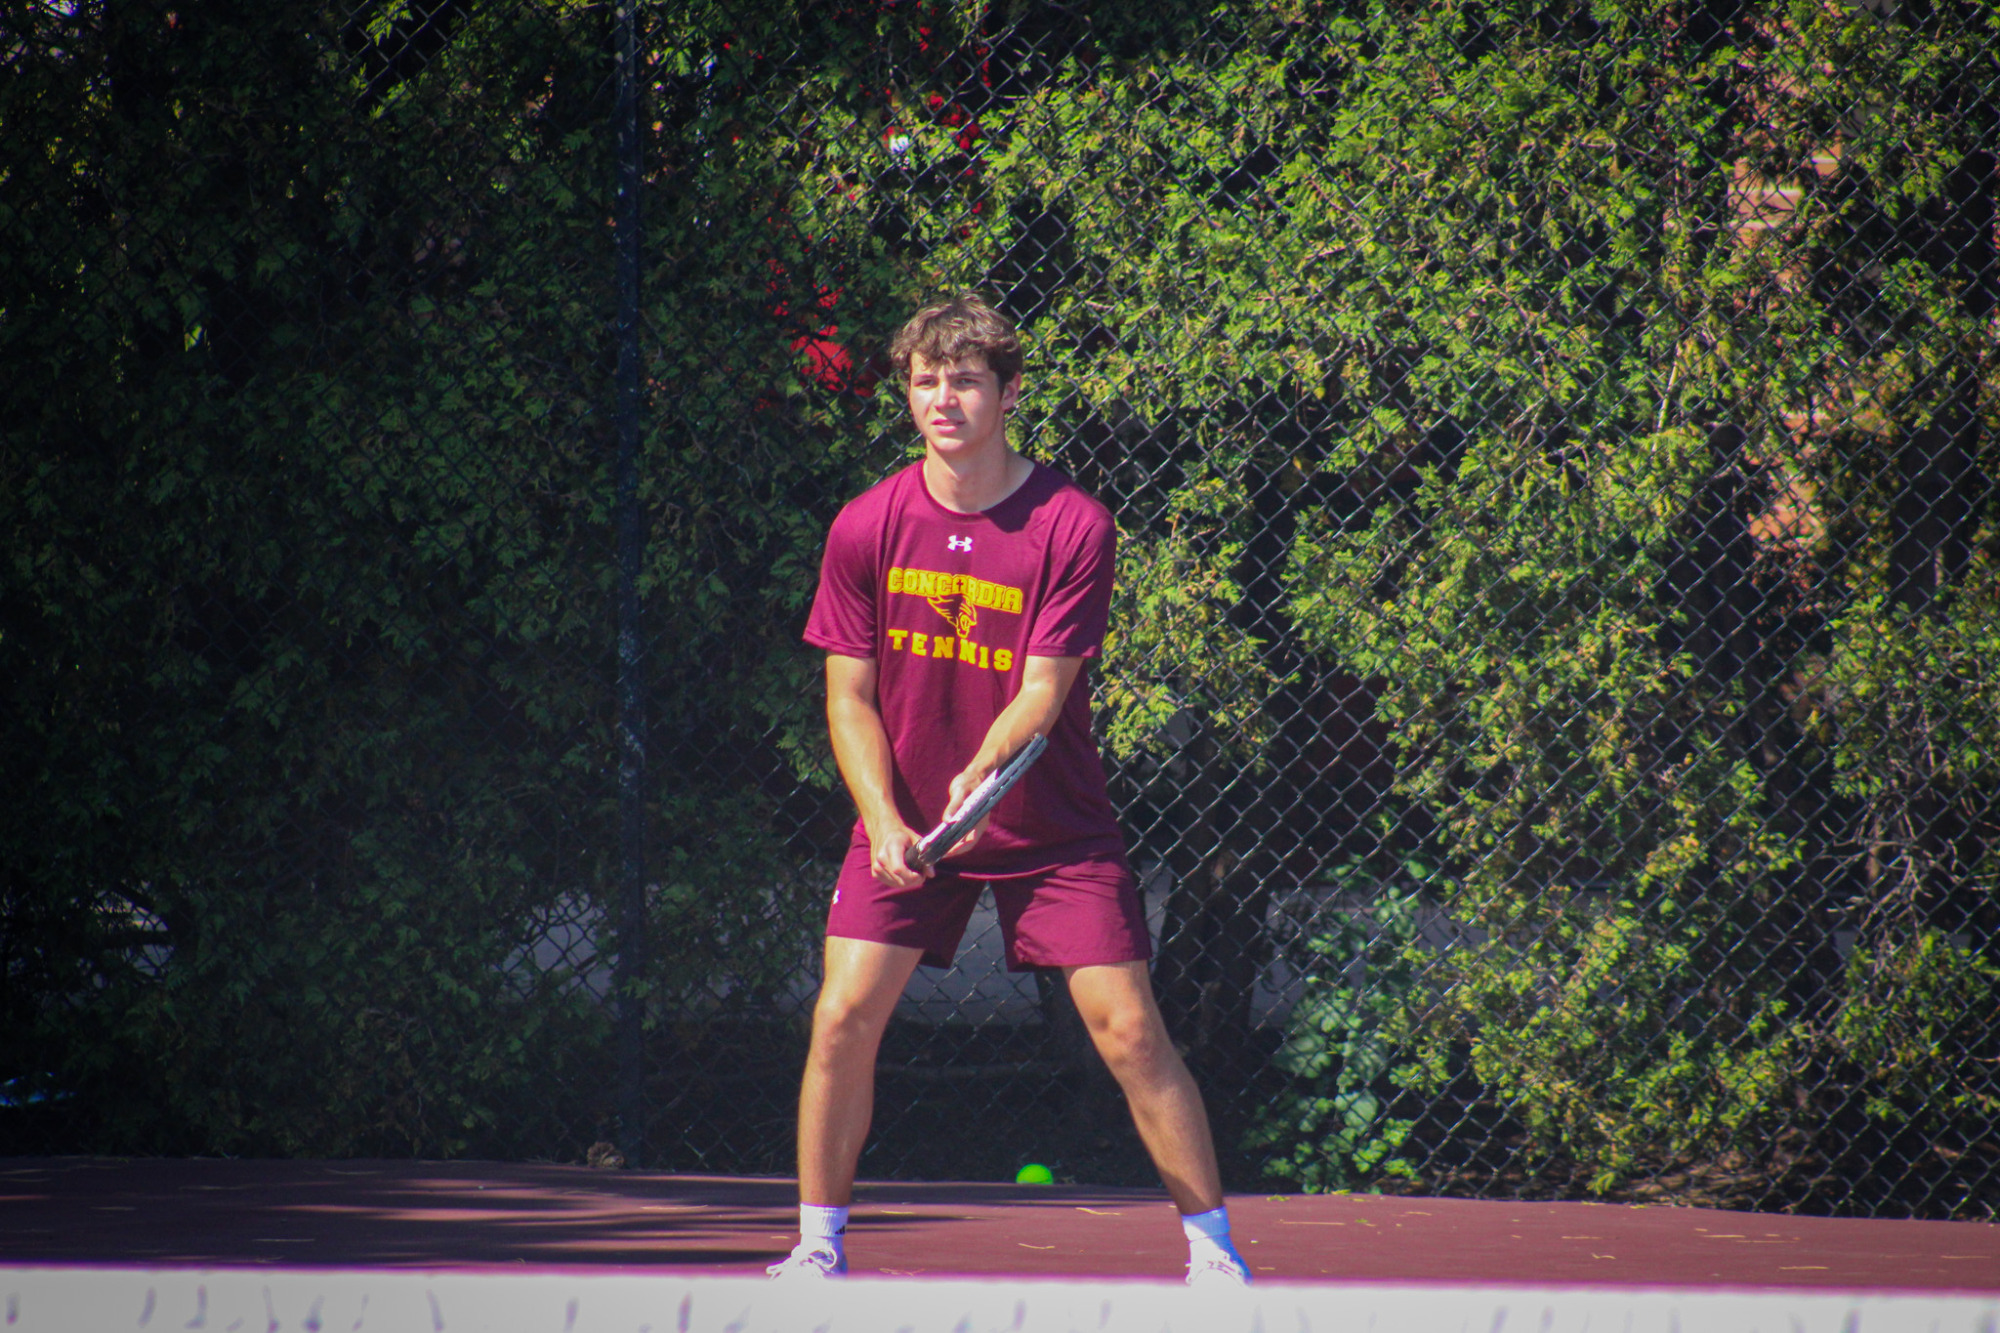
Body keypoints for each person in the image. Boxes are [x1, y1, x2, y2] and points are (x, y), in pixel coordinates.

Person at [768, 294, 1250, 1286]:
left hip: (1051, 826)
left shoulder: (1071, 525)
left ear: (1009, 392)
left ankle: (1214, 1251)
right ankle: (817, 1244)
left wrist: (980, 772)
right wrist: (884, 820)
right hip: (906, 825)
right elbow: (847, 698)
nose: (942, 400)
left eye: (964, 381)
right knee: (842, 1015)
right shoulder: (865, 526)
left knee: (1129, 1028)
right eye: (925, 382)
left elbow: (1042, 692)